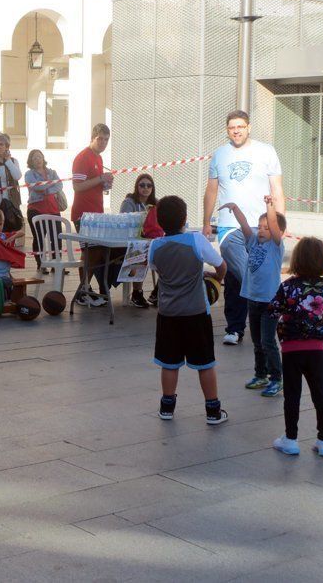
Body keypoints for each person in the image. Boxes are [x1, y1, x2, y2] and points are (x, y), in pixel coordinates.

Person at [203, 110, 283, 346]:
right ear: (227, 130)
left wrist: (279, 221)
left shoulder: (266, 151)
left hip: (261, 226)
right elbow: (211, 190)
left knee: (238, 279)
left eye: (240, 126)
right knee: (245, 270)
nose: (236, 131)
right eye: (231, 127)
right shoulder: (219, 155)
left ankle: (236, 328)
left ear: (248, 127)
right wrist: (207, 221)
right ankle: (270, 311)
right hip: (229, 227)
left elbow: (277, 188)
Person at [149, 195, 228, 425]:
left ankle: (167, 407)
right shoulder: (196, 241)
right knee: (205, 363)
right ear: (184, 218)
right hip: (195, 313)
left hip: (168, 314)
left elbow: (157, 269)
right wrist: (216, 278)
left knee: (169, 362)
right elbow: (221, 266)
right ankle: (213, 411)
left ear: (160, 221)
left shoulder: (155, 246)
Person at [267, 237, 323, 457]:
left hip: (292, 348)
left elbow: (273, 310)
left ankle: (291, 439)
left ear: (297, 259)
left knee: (292, 394)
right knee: (320, 392)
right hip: (316, 348)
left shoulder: (287, 287)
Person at [219, 196, 287, 398]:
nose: (262, 230)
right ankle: (261, 374)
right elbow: (245, 225)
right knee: (257, 342)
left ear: (278, 233)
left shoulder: (276, 246)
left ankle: (277, 378)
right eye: (260, 226)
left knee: (268, 341)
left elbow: (273, 223)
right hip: (253, 299)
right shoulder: (252, 242)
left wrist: (269, 206)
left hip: (270, 302)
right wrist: (235, 207)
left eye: (266, 227)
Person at [72, 123, 115, 307]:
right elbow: (77, 186)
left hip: (96, 213)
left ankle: (87, 289)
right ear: (93, 138)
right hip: (83, 213)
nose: (103, 143)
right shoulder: (83, 157)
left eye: (106, 139)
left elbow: (93, 184)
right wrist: (100, 179)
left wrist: (105, 185)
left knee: (96, 252)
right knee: (90, 252)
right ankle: (83, 291)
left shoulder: (98, 158)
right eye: (100, 139)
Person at [120, 173, 161, 308]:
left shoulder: (156, 204)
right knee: (140, 249)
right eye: (142, 185)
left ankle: (158, 291)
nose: (145, 188)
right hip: (130, 242)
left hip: (152, 241)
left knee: (169, 252)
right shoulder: (129, 202)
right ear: (136, 187)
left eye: (149, 185)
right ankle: (137, 293)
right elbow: (124, 222)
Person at [24, 149, 64, 274]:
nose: (37, 160)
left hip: (53, 209)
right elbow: (37, 187)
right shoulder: (29, 174)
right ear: (31, 161)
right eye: (34, 158)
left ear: (43, 158)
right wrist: (50, 186)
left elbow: (59, 185)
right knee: (39, 237)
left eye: (39, 157)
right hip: (36, 209)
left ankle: (56, 264)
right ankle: (41, 264)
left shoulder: (52, 172)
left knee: (57, 238)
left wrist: (46, 189)